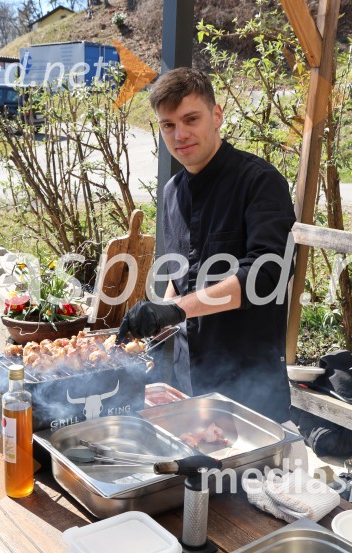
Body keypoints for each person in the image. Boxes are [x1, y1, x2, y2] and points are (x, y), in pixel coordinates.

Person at [117, 67, 296, 422]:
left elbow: (268, 275)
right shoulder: (170, 194)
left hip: (249, 385)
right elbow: (176, 277)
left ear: (216, 115)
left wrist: (178, 309)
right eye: (168, 125)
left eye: (190, 119)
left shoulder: (259, 181)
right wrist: (157, 319)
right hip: (185, 382)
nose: (179, 134)